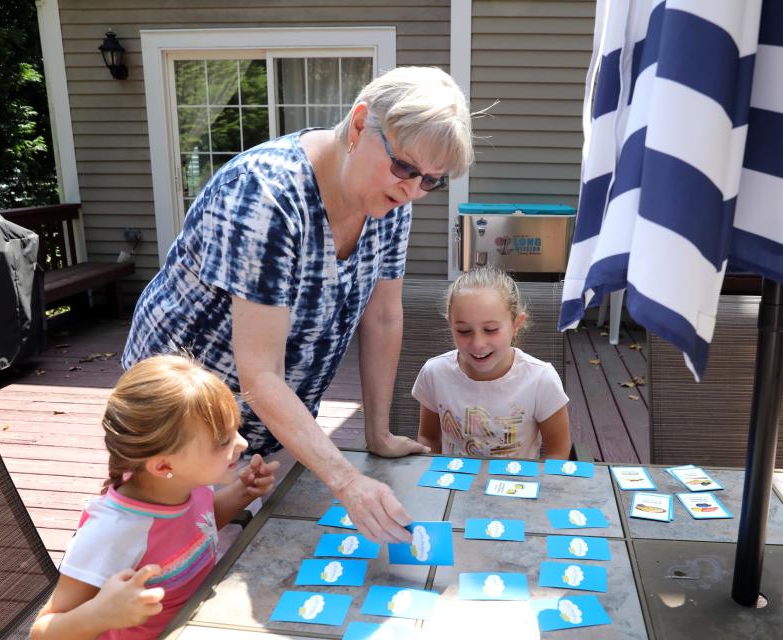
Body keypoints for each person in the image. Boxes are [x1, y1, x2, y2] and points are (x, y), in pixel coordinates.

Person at [121, 66, 475, 543]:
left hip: (259, 425)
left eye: (431, 181)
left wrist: (378, 434)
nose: (412, 190)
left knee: (235, 543)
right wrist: (347, 480)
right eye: (405, 167)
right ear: (358, 125)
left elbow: (383, 314)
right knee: (160, 556)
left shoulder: (391, 203)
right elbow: (259, 373)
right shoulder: (265, 194)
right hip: (177, 422)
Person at [30, 355, 279, 640]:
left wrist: (241, 493)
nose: (243, 443)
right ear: (163, 466)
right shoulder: (113, 532)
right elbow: (41, 633)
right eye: (224, 441)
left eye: (236, 429)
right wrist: (102, 614)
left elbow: (198, 529)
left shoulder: (189, 484)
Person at [413, 268, 572, 459]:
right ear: (451, 325)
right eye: (464, 331)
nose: (478, 344)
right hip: (453, 484)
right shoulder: (435, 373)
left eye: (490, 329)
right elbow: (429, 438)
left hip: (516, 485)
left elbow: (559, 451)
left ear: (516, 324)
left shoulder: (540, 379)